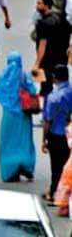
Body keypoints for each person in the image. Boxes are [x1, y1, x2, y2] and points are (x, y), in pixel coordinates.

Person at [0, 51, 39, 182]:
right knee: (24, 141)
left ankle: (10, 170)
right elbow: (33, 90)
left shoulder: (3, 77)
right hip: (24, 115)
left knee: (8, 142)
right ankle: (26, 165)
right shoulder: (24, 76)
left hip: (9, 116)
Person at [42, 64, 71, 204]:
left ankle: (54, 192)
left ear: (55, 78)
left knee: (56, 166)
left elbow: (47, 120)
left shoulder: (53, 97)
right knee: (67, 164)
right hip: (69, 134)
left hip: (56, 134)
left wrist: (44, 139)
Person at [33, 0, 69, 98]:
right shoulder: (62, 18)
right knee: (62, 86)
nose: (37, 6)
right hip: (62, 58)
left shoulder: (42, 23)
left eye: (39, 3)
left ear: (46, 5)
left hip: (46, 61)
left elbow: (42, 45)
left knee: (45, 89)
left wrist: (37, 63)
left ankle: (47, 109)